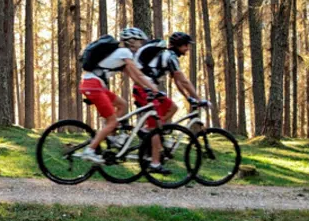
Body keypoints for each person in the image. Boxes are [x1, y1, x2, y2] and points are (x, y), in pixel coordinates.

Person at [74, 27, 164, 168]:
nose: (141, 45)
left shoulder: (120, 55)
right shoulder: (124, 52)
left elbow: (135, 77)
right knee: (112, 121)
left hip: (96, 85)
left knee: (122, 105)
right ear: (131, 41)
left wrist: (147, 89)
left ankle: (110, 135)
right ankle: (90, 150)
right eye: (139, 41)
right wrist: (154, 89)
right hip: (93, 86)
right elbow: (139, 75)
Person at [132, 31, 210, 168]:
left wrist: (189, 98)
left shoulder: (168, 56)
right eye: (186, 45)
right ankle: (155, 163)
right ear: (179, 45)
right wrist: (199, 99)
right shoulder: (170, 57)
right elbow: (184, 81)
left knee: (172, 107)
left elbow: (178, 82)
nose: (188, 48)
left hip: (150, 90)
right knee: (154, 127)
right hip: (144, 89)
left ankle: (150, 133)